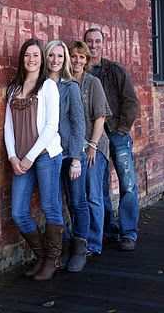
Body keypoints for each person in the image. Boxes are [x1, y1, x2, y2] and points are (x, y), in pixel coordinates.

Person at [4, 38, 64, 281]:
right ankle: (40, 255)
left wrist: (29, 157)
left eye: (36, 55)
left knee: (51, 208)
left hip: (45, 155)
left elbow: (52, 126)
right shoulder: (13, 88)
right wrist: (12, 156)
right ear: (22, 58)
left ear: (42, 60)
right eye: (28, 55)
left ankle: (53, 260)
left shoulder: (48, 86)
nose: (31, 59)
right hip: (20, 159)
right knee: (18, 212)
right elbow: (8, 126)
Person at [84, 28, 139, 251]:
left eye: (97, 41)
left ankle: (128, 233)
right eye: (89, 41)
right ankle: (109, 229)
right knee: (99, 186)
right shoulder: (81, 72)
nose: (93, 45)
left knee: (128, 184)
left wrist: (123, 129)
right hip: (96, 139)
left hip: (116, 134)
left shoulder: (114, 71)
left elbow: (131, 102)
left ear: (103, 44)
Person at [45, 40, 89, 272]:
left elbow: (78, 123)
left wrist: (76, 159)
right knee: (55, 204)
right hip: (49, 155)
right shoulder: (41, 85)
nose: (55, 60)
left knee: (77, 202)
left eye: (60, 56)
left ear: (65, 61)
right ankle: (63, 246)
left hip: (70, 155)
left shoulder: (70, 86)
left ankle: (80, 249)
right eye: (51, 55)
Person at [68, 41, 112, 256]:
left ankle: (94, 243)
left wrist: (92, 146)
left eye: (82, 57)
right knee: (77, 197)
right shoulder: (64, 82)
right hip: (73, 148)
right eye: (74, 56)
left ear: (87, 61)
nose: (77, 61)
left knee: (93, 195)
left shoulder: (92, 82)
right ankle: (80, 240)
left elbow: (100, 116)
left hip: (94, 145)